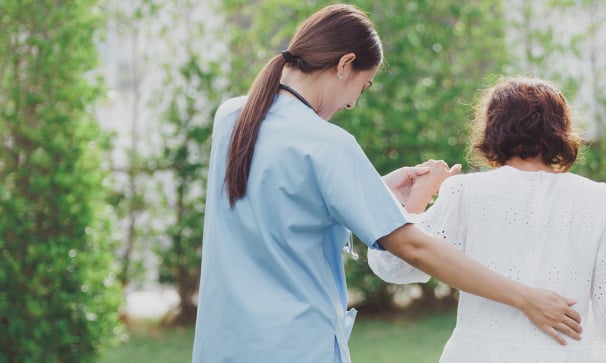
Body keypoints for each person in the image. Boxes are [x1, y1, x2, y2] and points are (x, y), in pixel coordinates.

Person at [191, 5, 581, 363]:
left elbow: (278, 204)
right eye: (364, 86)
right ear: (345, 64)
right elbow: (413, 248)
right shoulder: (328, 145)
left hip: (223, 345)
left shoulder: (233, 117)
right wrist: (525, 298)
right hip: (295, 347)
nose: (352, 104)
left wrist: (374, 189)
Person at [368, 76, 606, 362]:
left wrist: (419, 194)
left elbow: (395, 265)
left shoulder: (466, 192)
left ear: (493, 128)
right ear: (561, 130)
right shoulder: (601, 200)